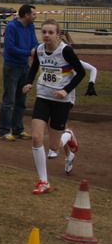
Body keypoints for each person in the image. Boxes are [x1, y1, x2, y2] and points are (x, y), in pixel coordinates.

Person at [22, 19, 85, 194]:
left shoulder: (66, 51)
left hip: (62, 100)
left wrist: (65, 90)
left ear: (58, 34)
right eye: (44, 32)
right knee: (36, 137)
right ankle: (43, 181)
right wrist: (28, 83)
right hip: (43, 97)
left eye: (50, 32)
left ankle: (68, 135)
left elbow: (81, 73)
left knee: (54, 147)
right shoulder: (39, 50)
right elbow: (34, 68)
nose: (46, 35)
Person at [0, 5, 39, 141]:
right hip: (12, 66)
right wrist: (28, 52)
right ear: (26, 15)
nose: (35, 16)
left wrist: (35, 49)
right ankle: (4, 130)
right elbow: (10, 47)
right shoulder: (11, 27)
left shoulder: (31, 27)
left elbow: (34, 42)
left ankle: (18, 129)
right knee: (9, 100)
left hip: (24, 66)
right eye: (33, 14)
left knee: (21, 100)